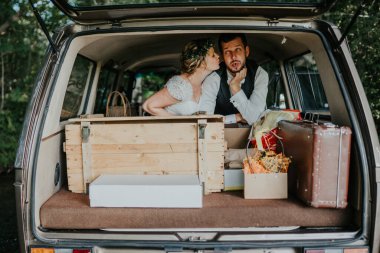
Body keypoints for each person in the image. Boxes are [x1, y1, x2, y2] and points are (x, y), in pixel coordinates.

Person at [200, 33, 269, 125]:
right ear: (223, 57)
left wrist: (235, 87)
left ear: (246, 51)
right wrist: (236, 118)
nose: (233, 57)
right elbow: (205, 120)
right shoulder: (213, 78)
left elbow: (254, 118)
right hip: (220, 134)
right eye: (227, 52)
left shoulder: (259, 74)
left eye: (238, 49)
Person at [142, 39, 220, 116]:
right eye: (213, 55)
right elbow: (148, 106)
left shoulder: (206, 83)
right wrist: (179, 124)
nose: (218, 56)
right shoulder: (180, 86)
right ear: (202, 62)